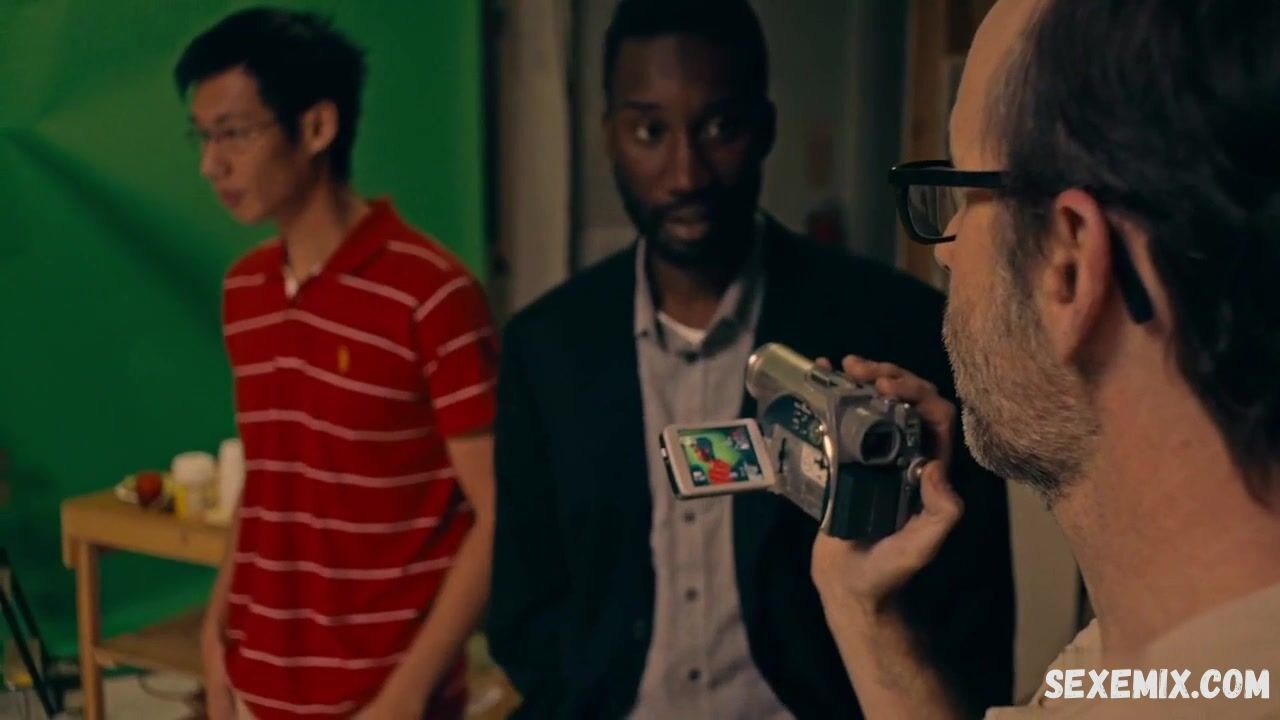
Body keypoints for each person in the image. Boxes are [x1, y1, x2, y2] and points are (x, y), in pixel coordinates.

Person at [488, 0, 1015, 716]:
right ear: (608, 134)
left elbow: (974, 616)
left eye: (720, 127)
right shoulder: (545, 347)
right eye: (649, 131)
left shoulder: (895, 326)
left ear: (764, 129)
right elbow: (523, 606)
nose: (685, 173)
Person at [811, 0, 1280, 717]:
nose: (946, 251)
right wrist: (863, 609)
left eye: (966, 193)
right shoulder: (1161, 651)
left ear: (1068, 264)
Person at [175, 8, 499, 719]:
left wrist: (407, 694)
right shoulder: (245, 292)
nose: (211, 164)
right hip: (256, 687)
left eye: (233, 133)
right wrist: (216, 632)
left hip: (383, 697)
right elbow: (269, 481)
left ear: (317, 127)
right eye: (203, 137)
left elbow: (497, 513)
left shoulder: (432, 293)